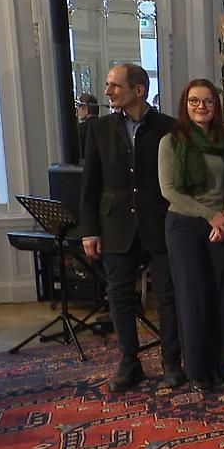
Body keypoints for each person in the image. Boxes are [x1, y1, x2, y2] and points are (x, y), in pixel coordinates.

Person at [80, 63, 184, 393]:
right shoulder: (97, 129)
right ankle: (129, 362)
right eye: (108, 85)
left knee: (168, 297)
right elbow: (90, 185)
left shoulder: (169, 127)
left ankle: (171, 361)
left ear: (138, 90)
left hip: (159, 224)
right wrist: (89, 230)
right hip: (115, 226)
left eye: (114, 85)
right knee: (119, 297)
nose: (108, 91)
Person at [158, 79, 224, 393]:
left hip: (222, 226)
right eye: (194, 101)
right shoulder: (172, 141)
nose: (201, 106)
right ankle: (197, 370)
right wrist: (211, 217)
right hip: (185, 226)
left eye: (207, 101)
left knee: (222, 295)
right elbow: (169, 191)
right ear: (185, 104)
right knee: (194, 299)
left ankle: (220, 365)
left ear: (216, 106)